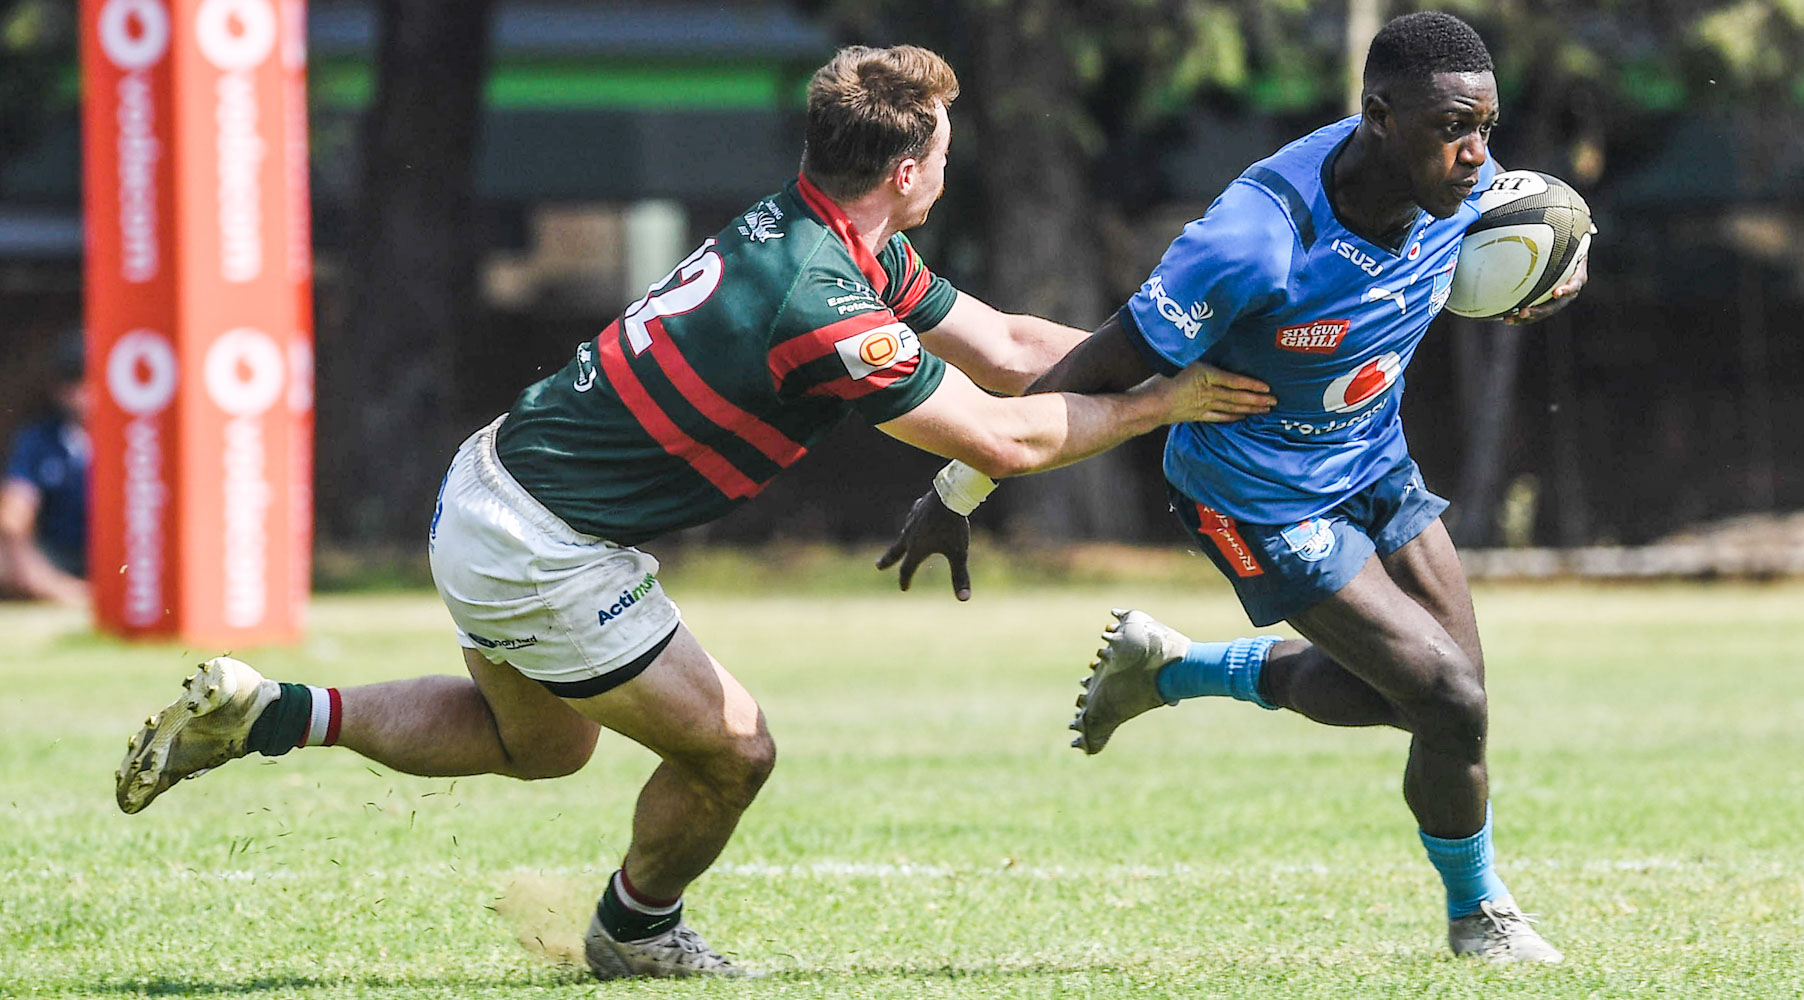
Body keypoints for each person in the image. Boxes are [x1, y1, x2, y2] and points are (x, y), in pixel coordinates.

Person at [112, 44, 1274, 980]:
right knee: (733, 749)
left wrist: (1169, 354)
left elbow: (1018, 351)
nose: (946, 172)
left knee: (542, 743)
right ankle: (636, 927)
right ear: (909, 170)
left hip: (495, 491)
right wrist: (1167, 403)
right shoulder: (823, 300)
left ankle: (271, 714)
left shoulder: (820, 232)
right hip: (544, 548)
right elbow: (1002, 436)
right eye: (945, 155)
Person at [876, 12, 1583, 963]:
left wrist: (1549, 271)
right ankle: (1480, 917)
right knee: (1448, 701)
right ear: (1377, 115)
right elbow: (1102, 365)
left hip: (1375, 462)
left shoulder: (1468, 194)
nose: (1476, 156)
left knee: (1452, 703)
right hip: (1256, 498)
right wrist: (960, 485)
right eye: (1455, 129)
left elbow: (1535, 236)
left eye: (1486, 128)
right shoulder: (1255, 242)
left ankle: (1173, 670)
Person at [2, 330, 90, 606]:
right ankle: (71, 594)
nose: (83, 394)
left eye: (88, 381)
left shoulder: (138, 438)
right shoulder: (38, 439)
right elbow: (15, 514)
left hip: (124, 556)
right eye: (73, 382)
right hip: (57, 555)